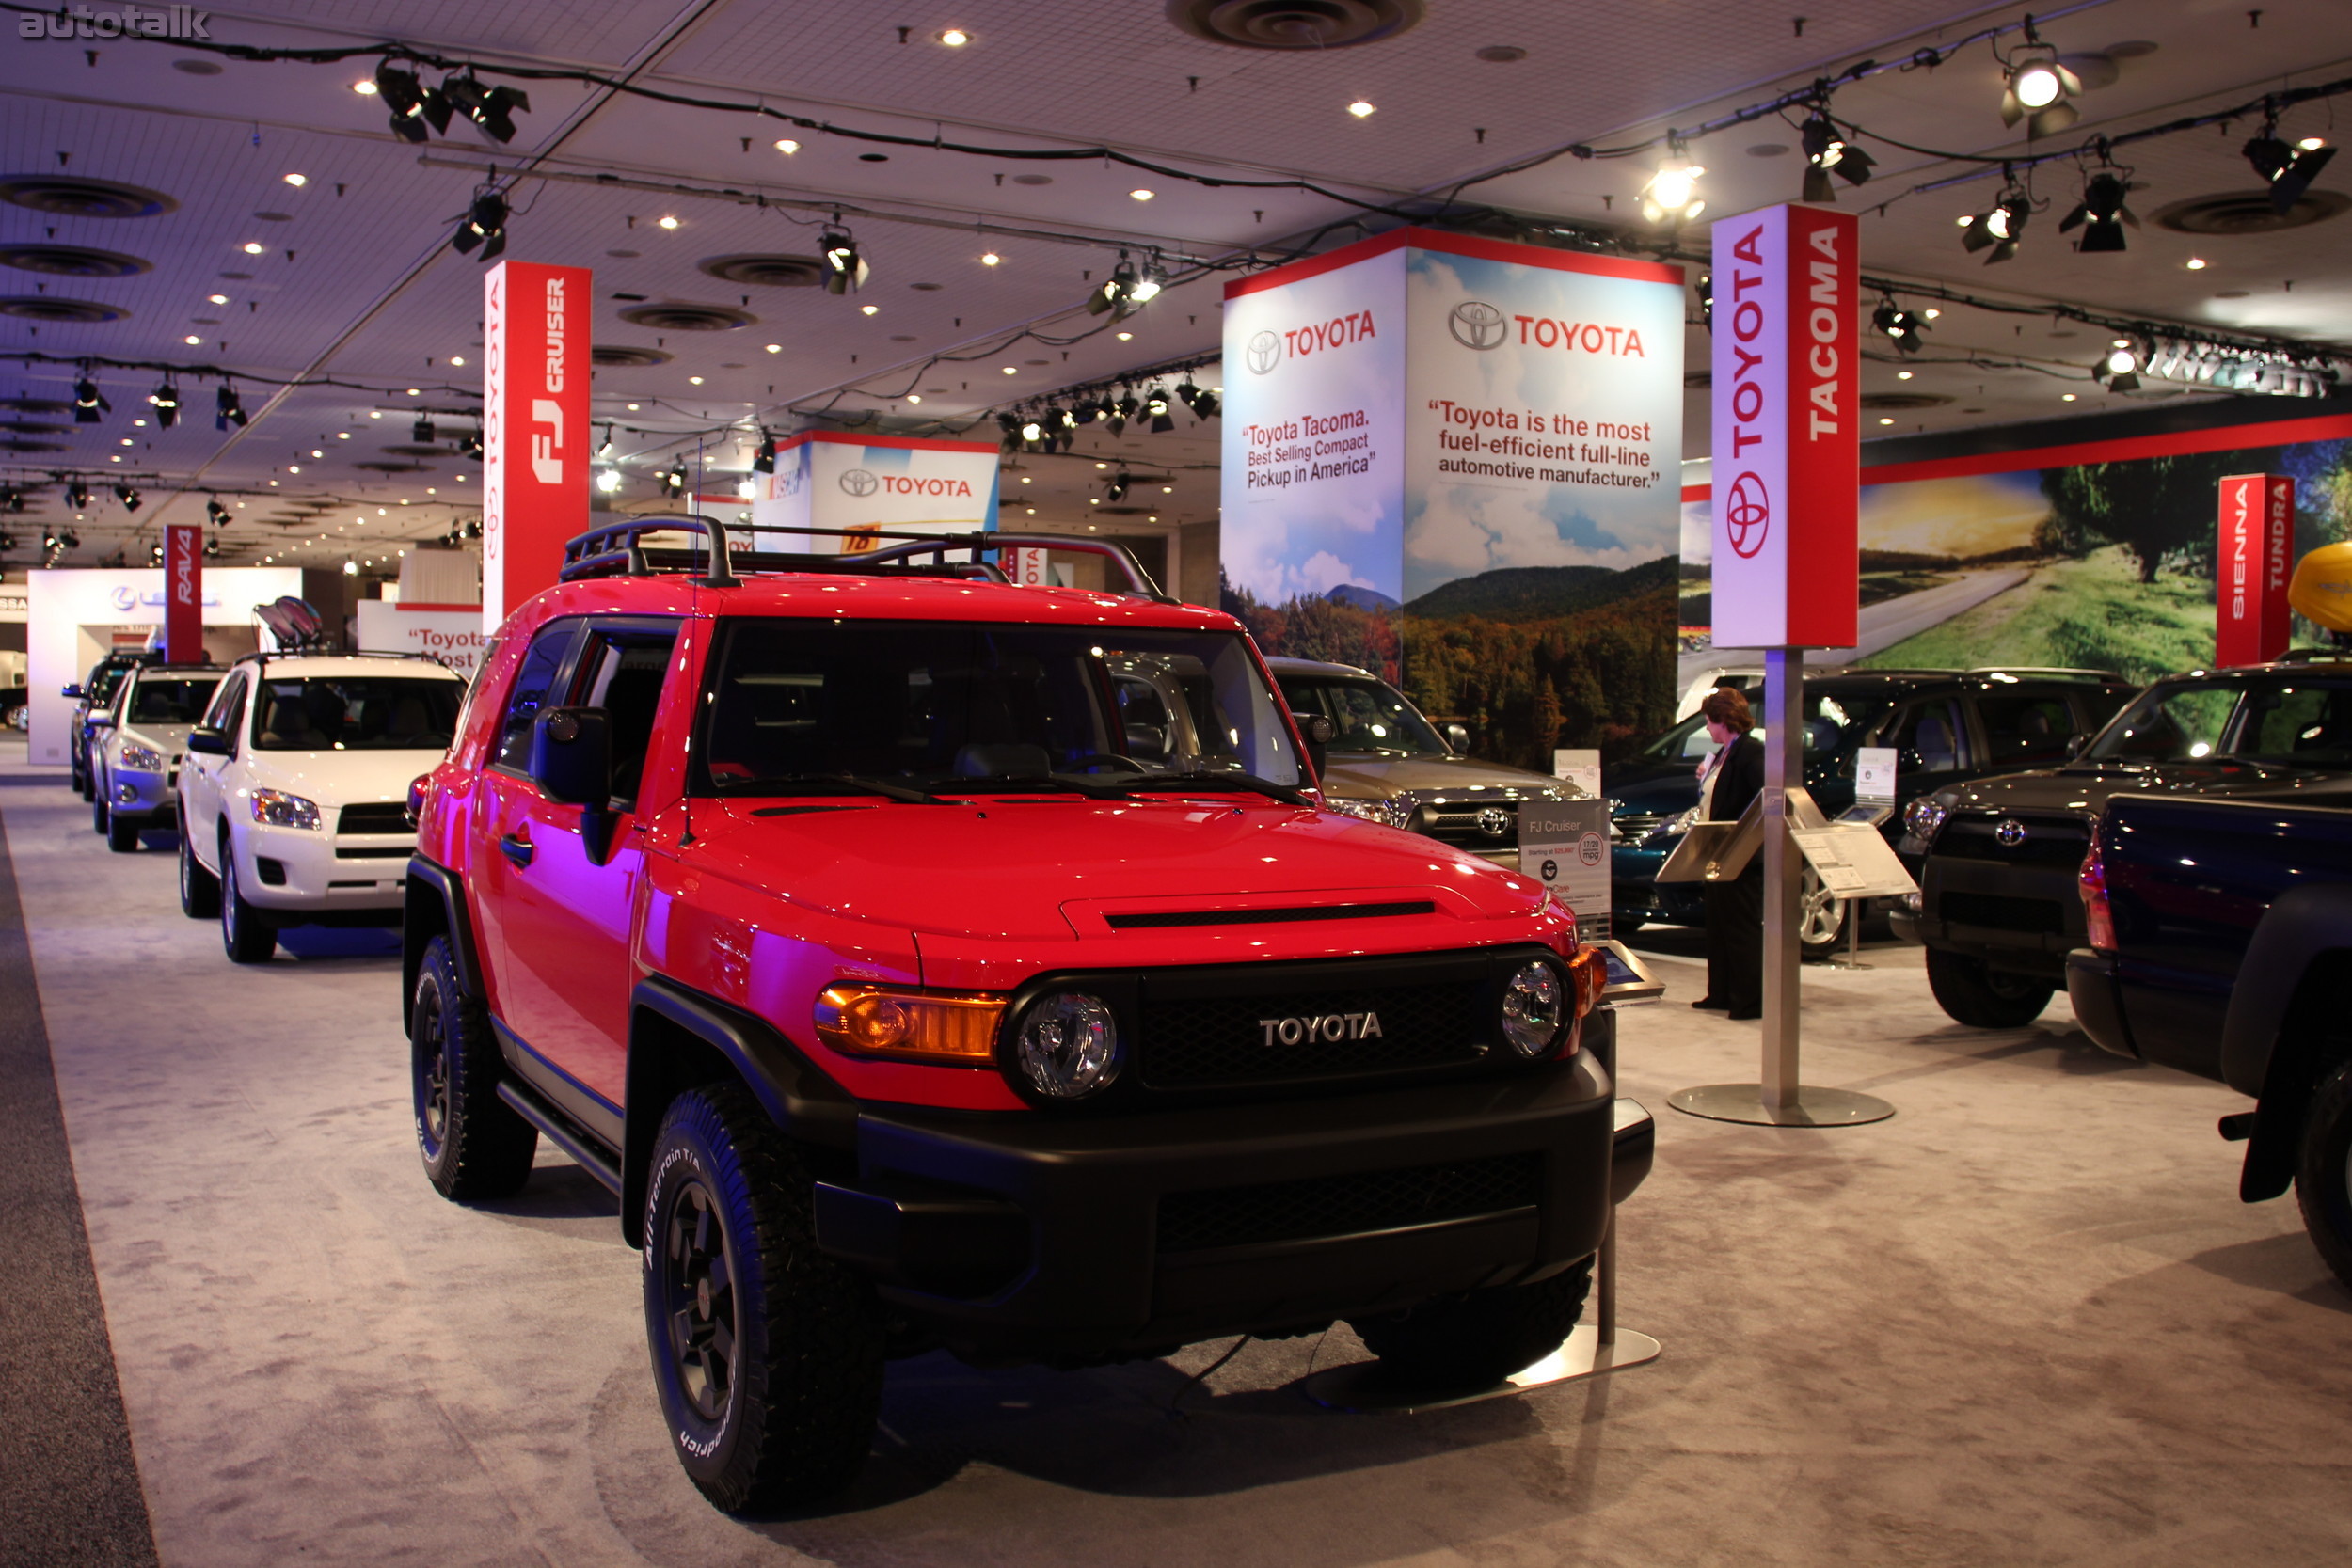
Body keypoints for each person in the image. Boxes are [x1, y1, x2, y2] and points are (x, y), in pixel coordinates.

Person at [1692, 687, 1765, 1020]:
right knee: (1719, 926)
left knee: (1741, 928)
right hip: (1718, 852)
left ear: (1723, 720)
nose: (1707, 729)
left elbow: (1761, 799)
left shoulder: (1751, 753)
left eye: (1709, 721)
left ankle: (1748, 999)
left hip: (1740, 854)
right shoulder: (1725, 753)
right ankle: (1720, 992)